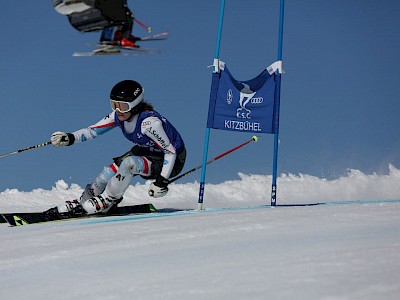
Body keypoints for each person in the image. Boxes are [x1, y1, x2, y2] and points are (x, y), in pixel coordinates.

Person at [49, 80, 186, 215]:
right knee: (107, 173)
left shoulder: (149, 124)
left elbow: (170, 151)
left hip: (170, 161)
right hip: (147, 150)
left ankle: (108, 200)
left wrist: (162, 181)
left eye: (123, 106)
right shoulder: (118, 116)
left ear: (135, 106)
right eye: (114, 105)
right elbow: (93, 131)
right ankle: (84, 200)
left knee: (129, 164)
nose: (118, 110)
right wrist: (70, 137)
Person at [53, 0, 140, 47]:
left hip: (61, 5)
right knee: (124, 17)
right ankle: (124, 38)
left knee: (110, 14)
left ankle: (117, 35)